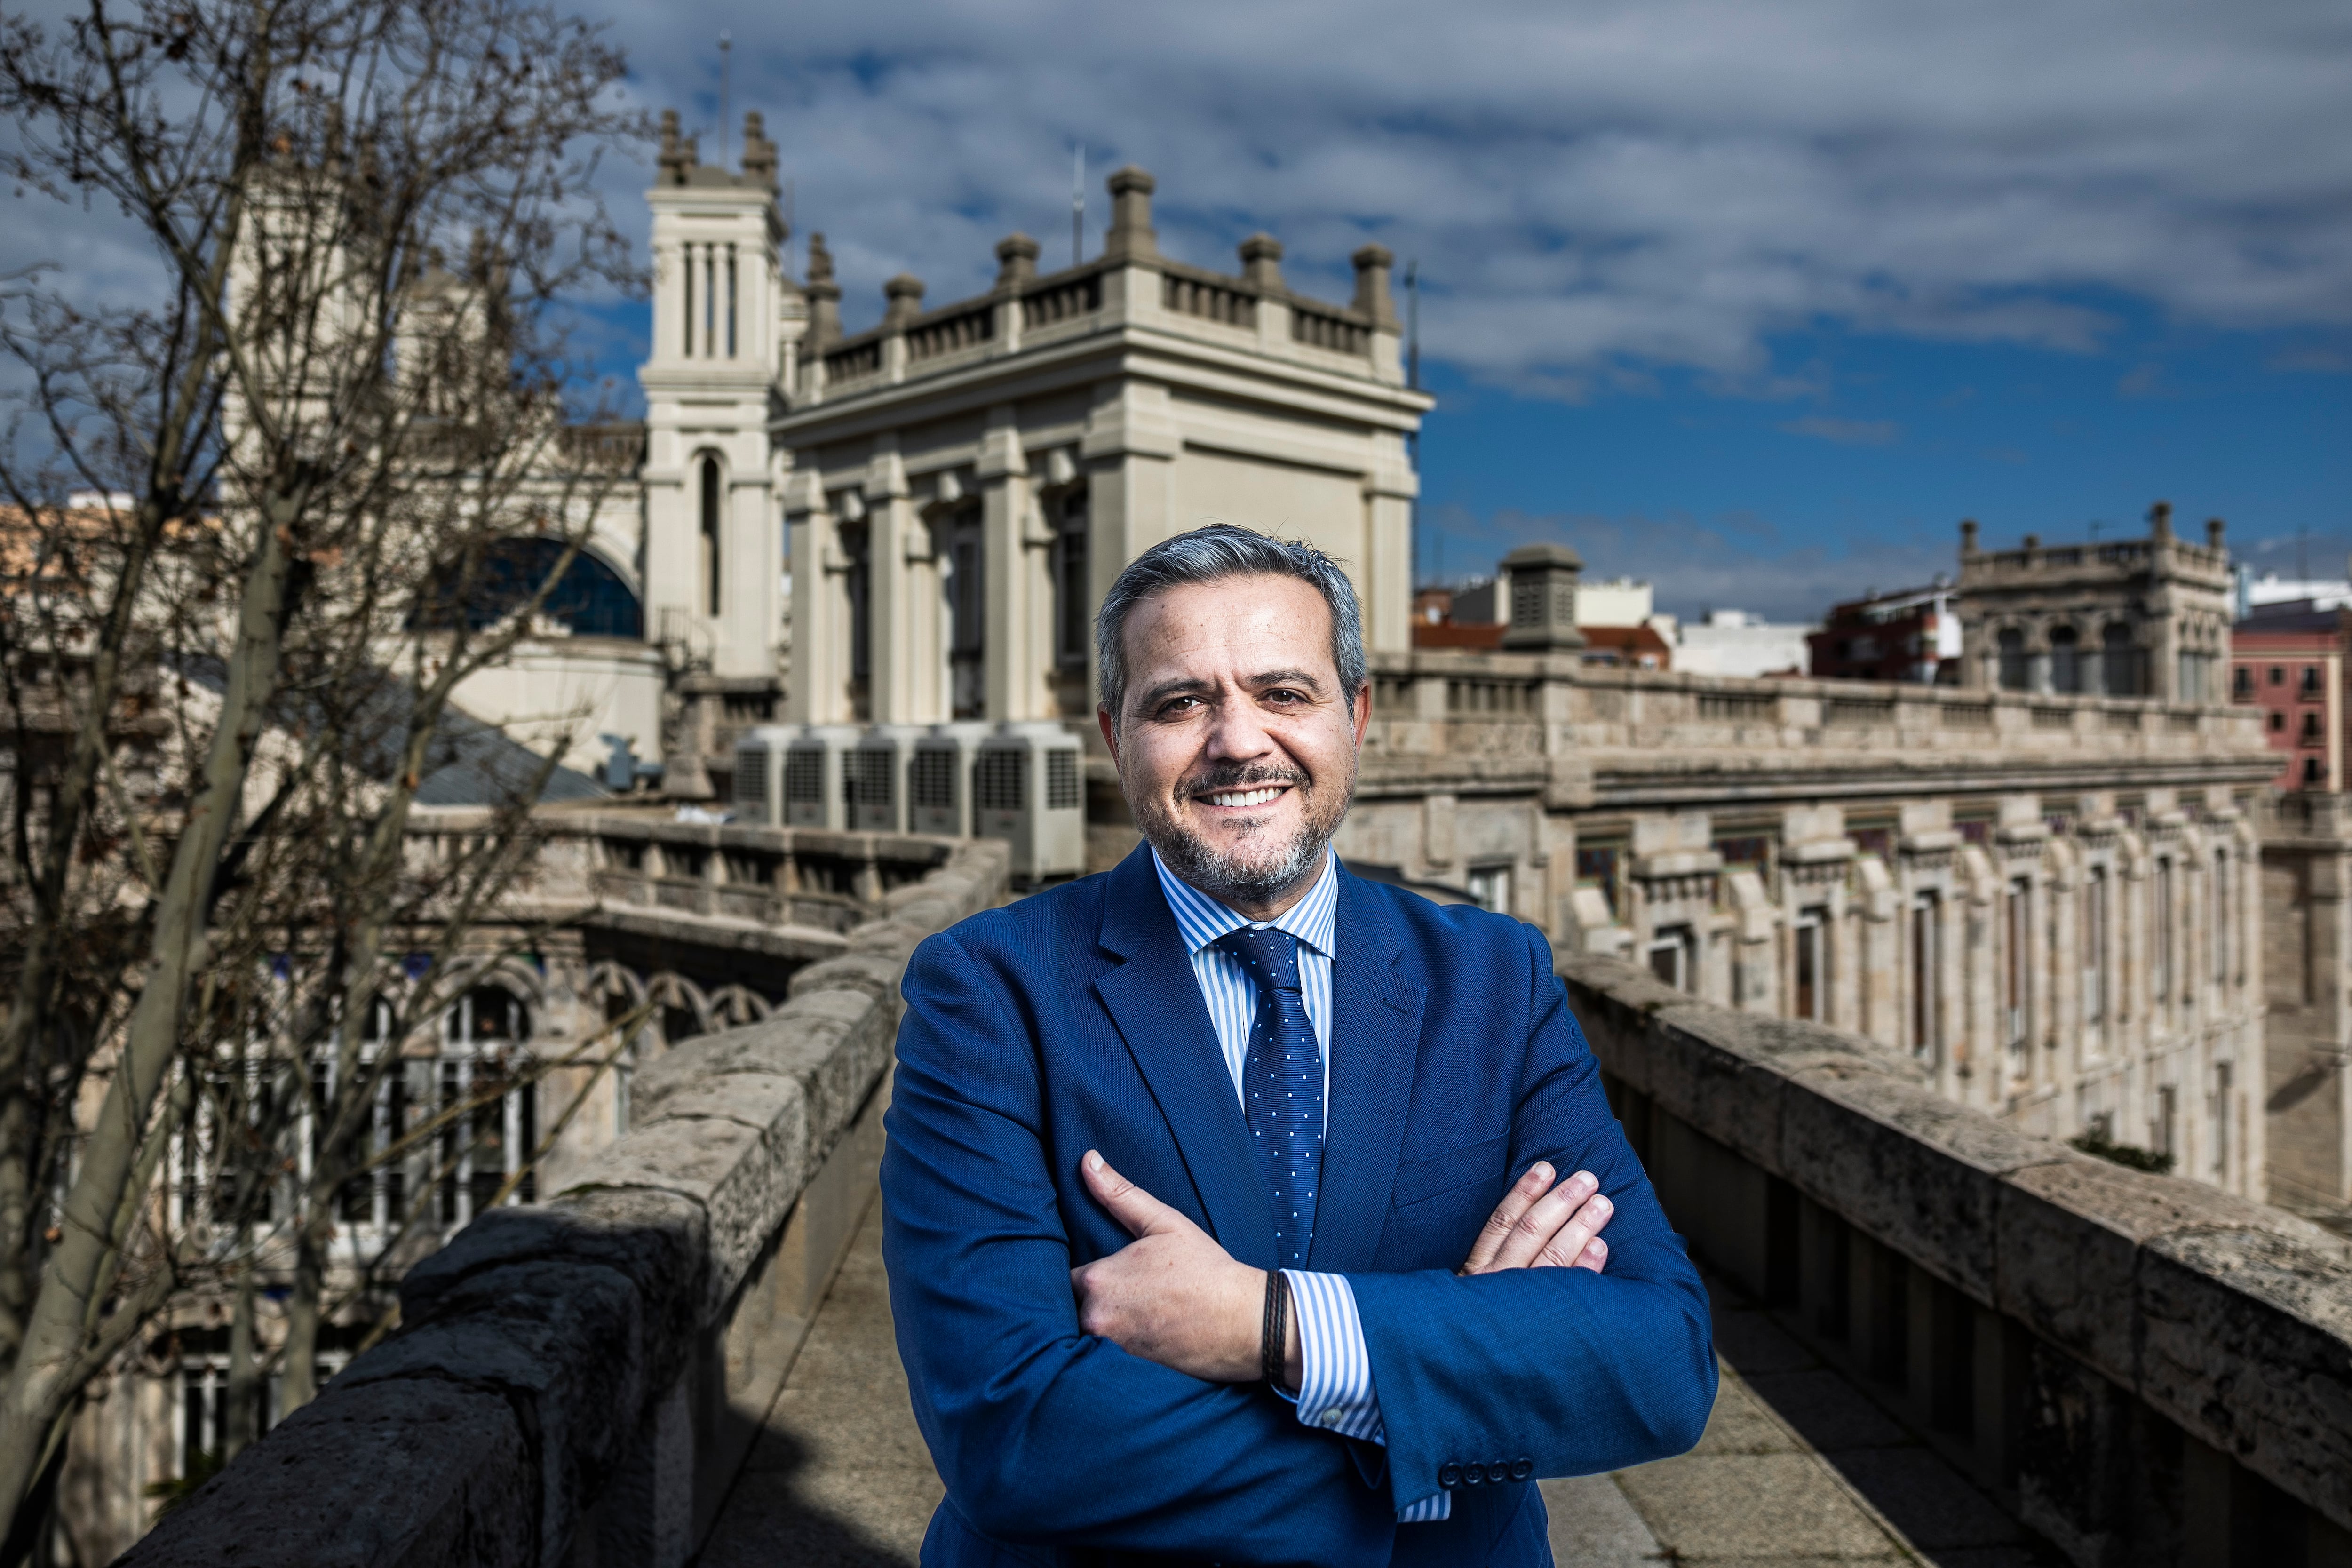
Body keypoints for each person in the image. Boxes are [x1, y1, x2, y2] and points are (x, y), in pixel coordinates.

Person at [882, 524, 1716, 1566]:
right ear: (1113, 735)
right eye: (1180, 701)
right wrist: (1451, 1393)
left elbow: (1657, 1365)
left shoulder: (1495, 978)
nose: (1237, 740)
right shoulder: (988, 989)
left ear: (1355, 716)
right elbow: (1010, 1435)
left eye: (1284, 692)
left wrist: (1268, 1321)